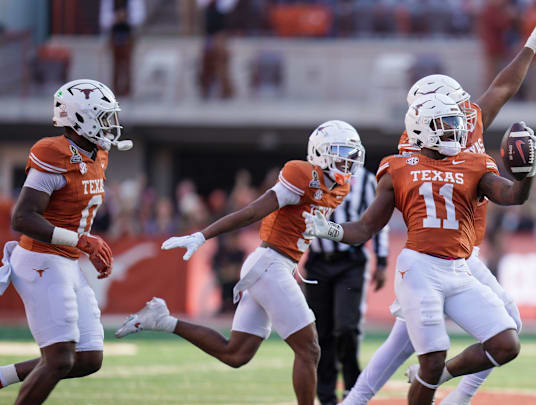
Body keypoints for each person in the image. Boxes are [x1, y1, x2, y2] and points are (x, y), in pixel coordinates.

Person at [338, 0, 536, 399]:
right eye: (452, 109)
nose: (463, 115)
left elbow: (502, 87)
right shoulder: (416, 150)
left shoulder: (461, 126)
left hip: (461, 254)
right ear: (426, 117)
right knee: (418, 348)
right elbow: (386, 209)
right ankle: (447, 394)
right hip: (435, 256)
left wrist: (532, 43)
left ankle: (380, 396)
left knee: (409, 346)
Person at [304, 93, 536, 405]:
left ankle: (442, 374)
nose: (455, 130)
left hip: (458, 269)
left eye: (456, 123)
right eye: (446, 123)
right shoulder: (399, 167)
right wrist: (330, 229)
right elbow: (365, 227)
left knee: (506, 343)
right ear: (421, 129)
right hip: (419, 269)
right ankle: (425, 376)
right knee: (432, 356)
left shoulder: (474, 165)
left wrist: (526, 176)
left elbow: (512, 196)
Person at [114, 120, 365, 405]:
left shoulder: (339, 189)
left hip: (273, 267)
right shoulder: (302, 173)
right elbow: (252, 211)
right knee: (310, 350)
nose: (348, 160)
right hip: (270, 264)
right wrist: (203, 234)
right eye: (342, 151)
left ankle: (162, 320)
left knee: (236, 354)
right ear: (320, 153)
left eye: (352, 153)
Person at [0, 79, 131, 404]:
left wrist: (80, 244)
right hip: (41, 260)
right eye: (103, 117)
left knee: (88, 358)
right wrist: (82, 241)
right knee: (59, 358)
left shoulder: (97, 154)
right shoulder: (52, 153)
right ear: (80, 118)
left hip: (65, 259)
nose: (110, 125)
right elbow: (22, 218)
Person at [304, 165, 389, 405]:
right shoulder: (311, 176)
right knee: (321, 333)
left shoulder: (365, 180)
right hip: (318, 261)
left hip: (350, 262)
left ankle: (353, 392)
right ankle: (327, 398)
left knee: (346, 328)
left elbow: (378, 221)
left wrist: (381, 261)